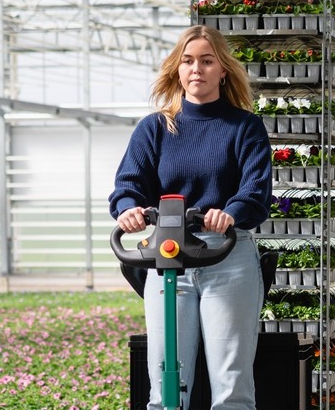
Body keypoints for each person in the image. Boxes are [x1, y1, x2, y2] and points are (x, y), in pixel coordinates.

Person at [108, 24, 272, 410]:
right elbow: (129, 184)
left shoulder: (244, 127)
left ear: (223, 70)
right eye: (188, 61)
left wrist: (229, 214)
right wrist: (129, 209)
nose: (196, 69)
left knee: (231, 384)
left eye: (207, 61)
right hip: (168, 256)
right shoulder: (155, 128)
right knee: (166, 384)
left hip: (227, 257)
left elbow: (255, 191)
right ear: (177, 70)